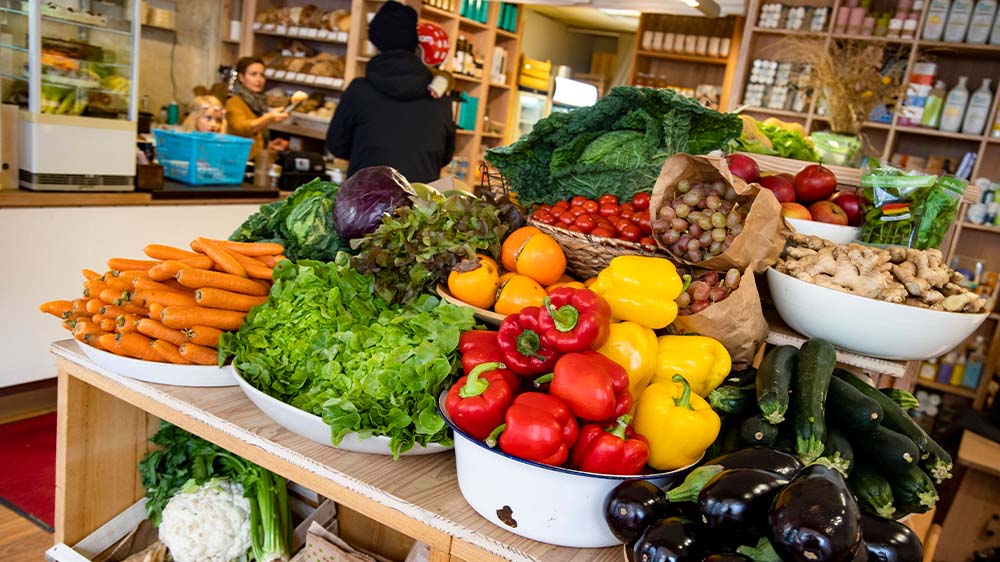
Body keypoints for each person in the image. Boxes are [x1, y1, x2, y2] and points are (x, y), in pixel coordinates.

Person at [325, 1, 455, 183]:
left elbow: (337, 145)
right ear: (414, 44)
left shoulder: (359, 91)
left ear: (376, 42)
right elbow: (444, 156)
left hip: (366, 203)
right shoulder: (439, 96)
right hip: (420, 206)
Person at [225, 56, 290, 160]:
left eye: (262, 75)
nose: (259, 79)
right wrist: (268, 118)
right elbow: (241, 128)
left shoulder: (259, 102)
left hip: (255, 160)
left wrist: (270, 145)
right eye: (253, 74)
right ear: (241, 77)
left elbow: (254, 139)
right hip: (239, 161)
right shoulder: (234, 102)